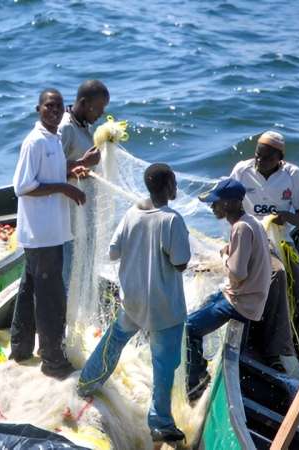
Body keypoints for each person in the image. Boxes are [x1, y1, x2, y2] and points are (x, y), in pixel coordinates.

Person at [76, 163, 190, 443]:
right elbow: (180, 262)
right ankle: (160, 422)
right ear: (168, 186)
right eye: (174, 183)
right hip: (164, 307)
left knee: (113, 341)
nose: (176, 187)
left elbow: (113, 252)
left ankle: (86, 383)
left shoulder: (132, 214)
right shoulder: (172, 220)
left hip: (133, 300)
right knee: (164, 365)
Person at [11, 88, 86, 379]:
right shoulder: (35, 142)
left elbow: (49, 174)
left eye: (58, 107)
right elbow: (23, 186)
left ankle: (20, 348)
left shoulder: (53, 138)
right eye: (48, 106)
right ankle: (53, 361)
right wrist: (64, 188)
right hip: (42, 233)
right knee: (50, 298)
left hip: (50, 231)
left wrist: (72, 170)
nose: (53, 111)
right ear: (38, 109)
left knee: (30, 288)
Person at [229, 131, 299, 366]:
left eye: (267, 157)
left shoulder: (292, 174)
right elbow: (227, 205)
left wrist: (286, 216)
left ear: (280, 158)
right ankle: (277, 350)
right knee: (278, 275)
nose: (260, 161)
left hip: (280, 240)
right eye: (258, 155)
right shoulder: (242, 170)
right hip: (251, 239)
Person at [186, 178, 271, 401]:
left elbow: (238, 273)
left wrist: (224, 256)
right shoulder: (251, 222)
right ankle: (199, 369)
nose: (212, 206)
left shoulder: (240, 228)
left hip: (242, 303)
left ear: (232, 203)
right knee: (202, 307)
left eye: (217, 203)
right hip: (249, 297)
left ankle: (196, 382)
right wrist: (230, 250)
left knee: (188, 328)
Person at [58, 80, 110, 290]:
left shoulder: (83, 125)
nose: (101, 113)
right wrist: (83, 163)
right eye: (98, 108)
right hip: (68, 216)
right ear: (84, 103)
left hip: (84, 212)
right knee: (67, 272)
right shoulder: (65, 128)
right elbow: (48, 170)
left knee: (82, 270)